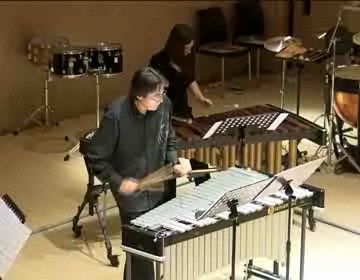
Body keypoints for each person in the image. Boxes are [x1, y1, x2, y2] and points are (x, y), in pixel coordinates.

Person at [86, 66, 190, 280]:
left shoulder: (164, 106)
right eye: (156, 96)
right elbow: (95, 156)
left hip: (161, 188)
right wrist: (117, 181)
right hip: (133, 196)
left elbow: (169, 138)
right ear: (139, 96)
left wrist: (174, 161)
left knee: (153, 251)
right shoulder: (116, 116)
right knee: (141, 253)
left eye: (163, 94)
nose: (161, 99)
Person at [150, 23, 213, 119]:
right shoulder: (158, 61)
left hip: (182, 110)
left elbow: (190, 79)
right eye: (186, 48)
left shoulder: (187, 57)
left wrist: (200, 98)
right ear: (176, 47)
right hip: (164, 113)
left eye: (191, 48)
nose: (189, 51)